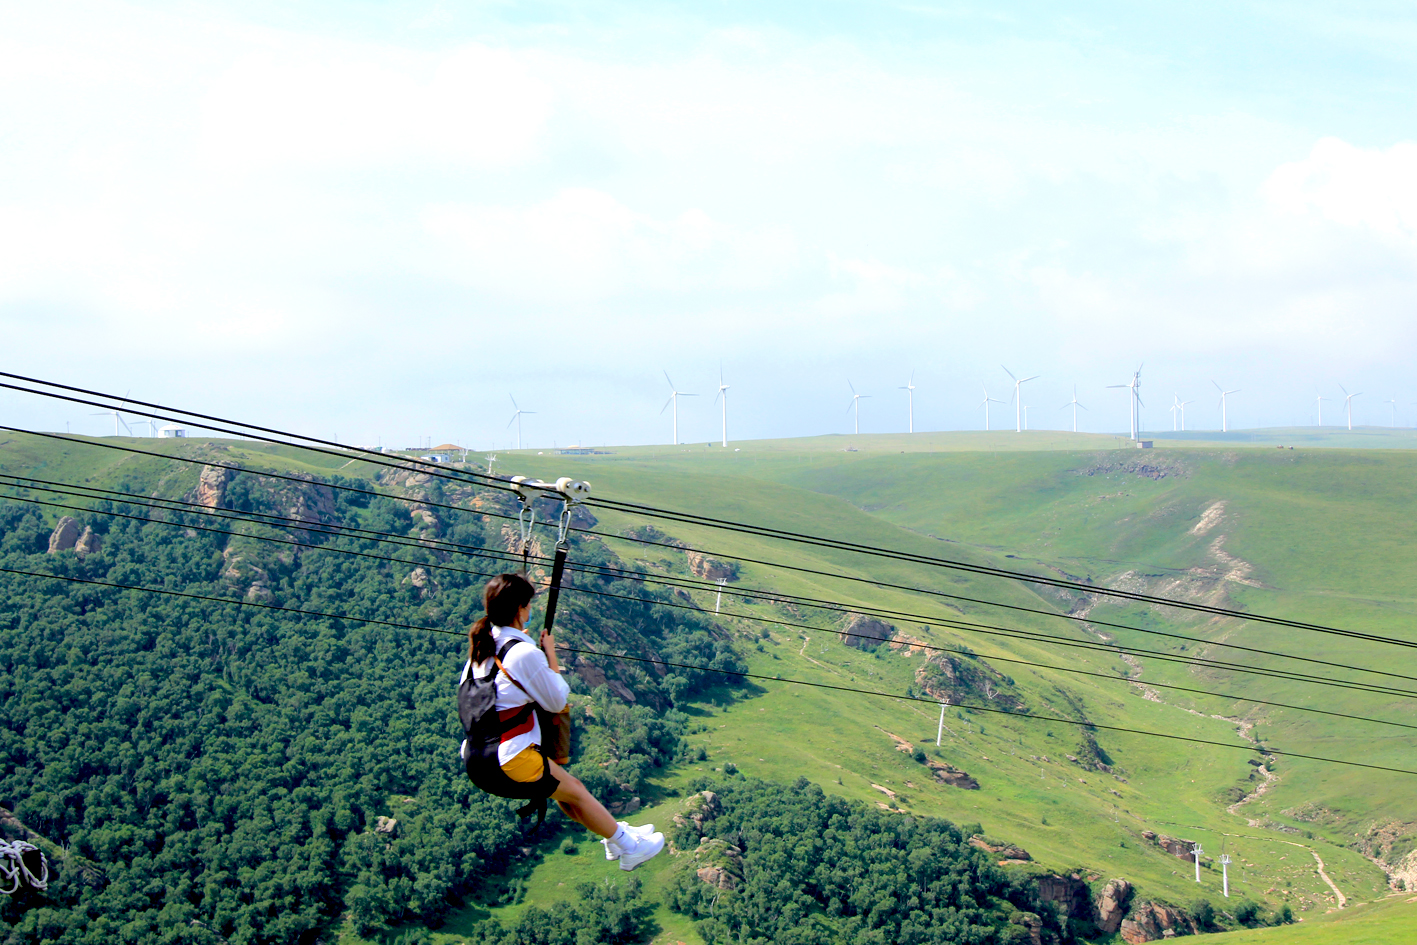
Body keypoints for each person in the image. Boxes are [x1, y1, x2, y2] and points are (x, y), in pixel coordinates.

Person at [459, 572, 664, 870]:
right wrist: (551, 659)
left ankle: (614, 835)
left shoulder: (479, 654)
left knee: (568, 791)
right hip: (509, 758)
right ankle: (628, 847)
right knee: (577, 793)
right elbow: (557, 700)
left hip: (477, 758)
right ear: (520, 609)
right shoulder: (521, 654)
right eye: (528, 605)